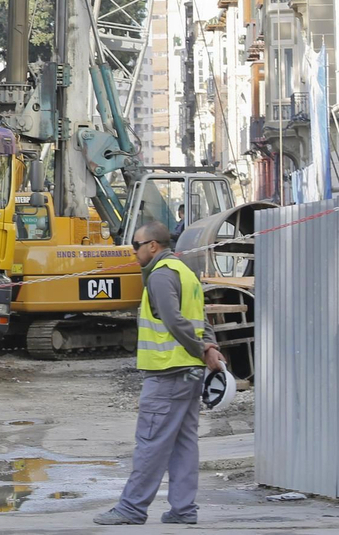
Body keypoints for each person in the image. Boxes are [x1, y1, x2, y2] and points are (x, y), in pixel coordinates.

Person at [93, 220, 226, 526]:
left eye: (136, 245)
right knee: (183, 443)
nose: (133, 251)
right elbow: (199, 318)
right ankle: (183, 510)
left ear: (152, 246)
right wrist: (208, 346)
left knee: (151, 442)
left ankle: (131, 508)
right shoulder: (185, 273)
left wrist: (201, 350)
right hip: (188, 373)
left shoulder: (161, 275)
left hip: (168, 373)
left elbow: (175, 321)